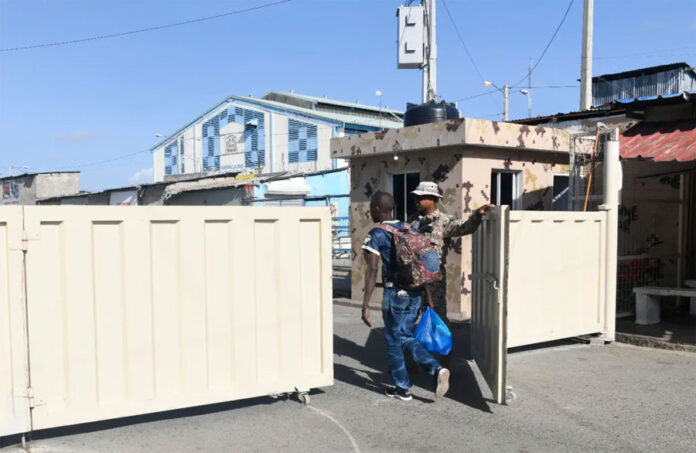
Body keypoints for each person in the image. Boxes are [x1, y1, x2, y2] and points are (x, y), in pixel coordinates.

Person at [361, 191, 450, 402]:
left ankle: (404, 387)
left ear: (375, 209)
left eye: (371, 208)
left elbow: (372, 270)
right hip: (415, 292)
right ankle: (435, 369)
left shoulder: (378, 234)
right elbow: (420, 264)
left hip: (395, 294)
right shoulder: (408, 227)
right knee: (405, 336)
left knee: (394, 339)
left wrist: (365, 304)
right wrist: (427, 294)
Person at [410, 181, 494, 324]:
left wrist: (477, 215)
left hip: (434, 280)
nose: (417, 200)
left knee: (437, 317)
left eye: (421, 197)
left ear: (433, 200)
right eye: (416, 197)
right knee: (413, 317)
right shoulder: (412, 221)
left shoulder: (444, 221)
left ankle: (441, 346)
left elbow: (464, 227)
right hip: (413, 279)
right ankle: (416, 345)